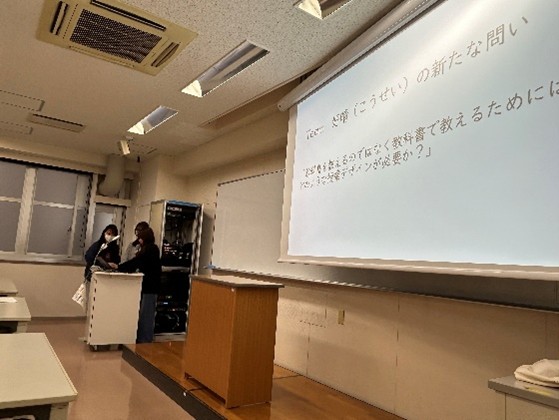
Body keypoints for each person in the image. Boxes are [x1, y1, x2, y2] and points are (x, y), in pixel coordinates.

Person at [116, 227, 161, 343]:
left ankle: (145, 340)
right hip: (148, 286)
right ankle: (143, 338)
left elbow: (137, 262)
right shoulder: (150, 248)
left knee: (146, 314)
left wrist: (119, 267)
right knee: (145, 313)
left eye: (140, 238)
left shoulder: (150, 249)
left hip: (150, 287)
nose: (139, 240)